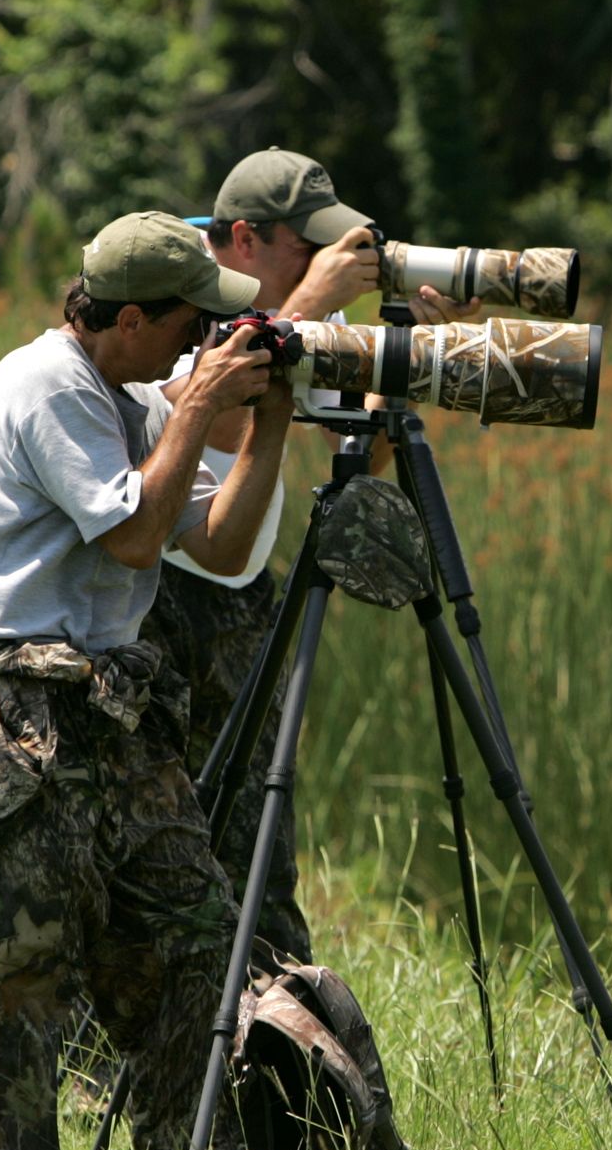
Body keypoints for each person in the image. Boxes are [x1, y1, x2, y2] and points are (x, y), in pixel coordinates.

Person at [0, 211, 288, 1150]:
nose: (199, 346)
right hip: (8, 702)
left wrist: (269, 421)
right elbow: (132, 532)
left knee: (195, 930)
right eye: (189, 326)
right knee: (21, 967)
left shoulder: (130, 396)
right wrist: (196, 407)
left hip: (113, 704)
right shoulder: (45, 385)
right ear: (128, 318)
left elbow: (219, 543)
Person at [140, 148, 478, 974]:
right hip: (152, 599)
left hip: (244, 599)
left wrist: (404, 361)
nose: (331, 265)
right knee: (150, 841)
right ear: (245, 238)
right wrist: (309, 303)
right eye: (309, 247)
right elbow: (197, 421)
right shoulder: (167, 297)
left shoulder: (290, 311)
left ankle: (277, 1052)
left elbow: (355, 459)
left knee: (258, 841)